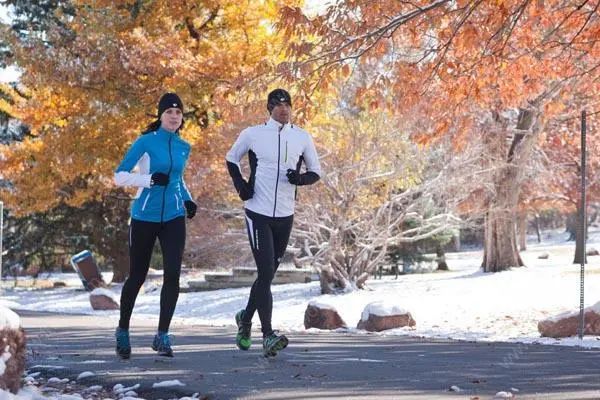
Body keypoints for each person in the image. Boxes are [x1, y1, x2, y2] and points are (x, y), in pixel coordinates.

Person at [225, 88, 321, 357]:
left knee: (267, 275)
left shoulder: (301, 137)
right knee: (265, 272)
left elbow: (316, 172)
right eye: (278, 104)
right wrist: (241, 186)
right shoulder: (253, 134)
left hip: (285, 216)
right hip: (257, 211)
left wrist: (299, 179)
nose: (283, 108)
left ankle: (245, 320)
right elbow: (231, 158)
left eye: (287, 104)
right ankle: (267, 335)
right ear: (269, 108)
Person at [112, 92, 197, 359]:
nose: (174, 116)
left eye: (178, 113)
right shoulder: (145, 142)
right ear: (161, 115)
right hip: (144, 216)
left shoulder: (184, 146)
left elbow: (177, 179)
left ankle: (162, 335)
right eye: (169, 112)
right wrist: (148, 180)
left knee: (173, 275)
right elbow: (119, 176)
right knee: (137, 275)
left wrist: (188, 199)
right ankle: (123, 330)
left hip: (173, 216)